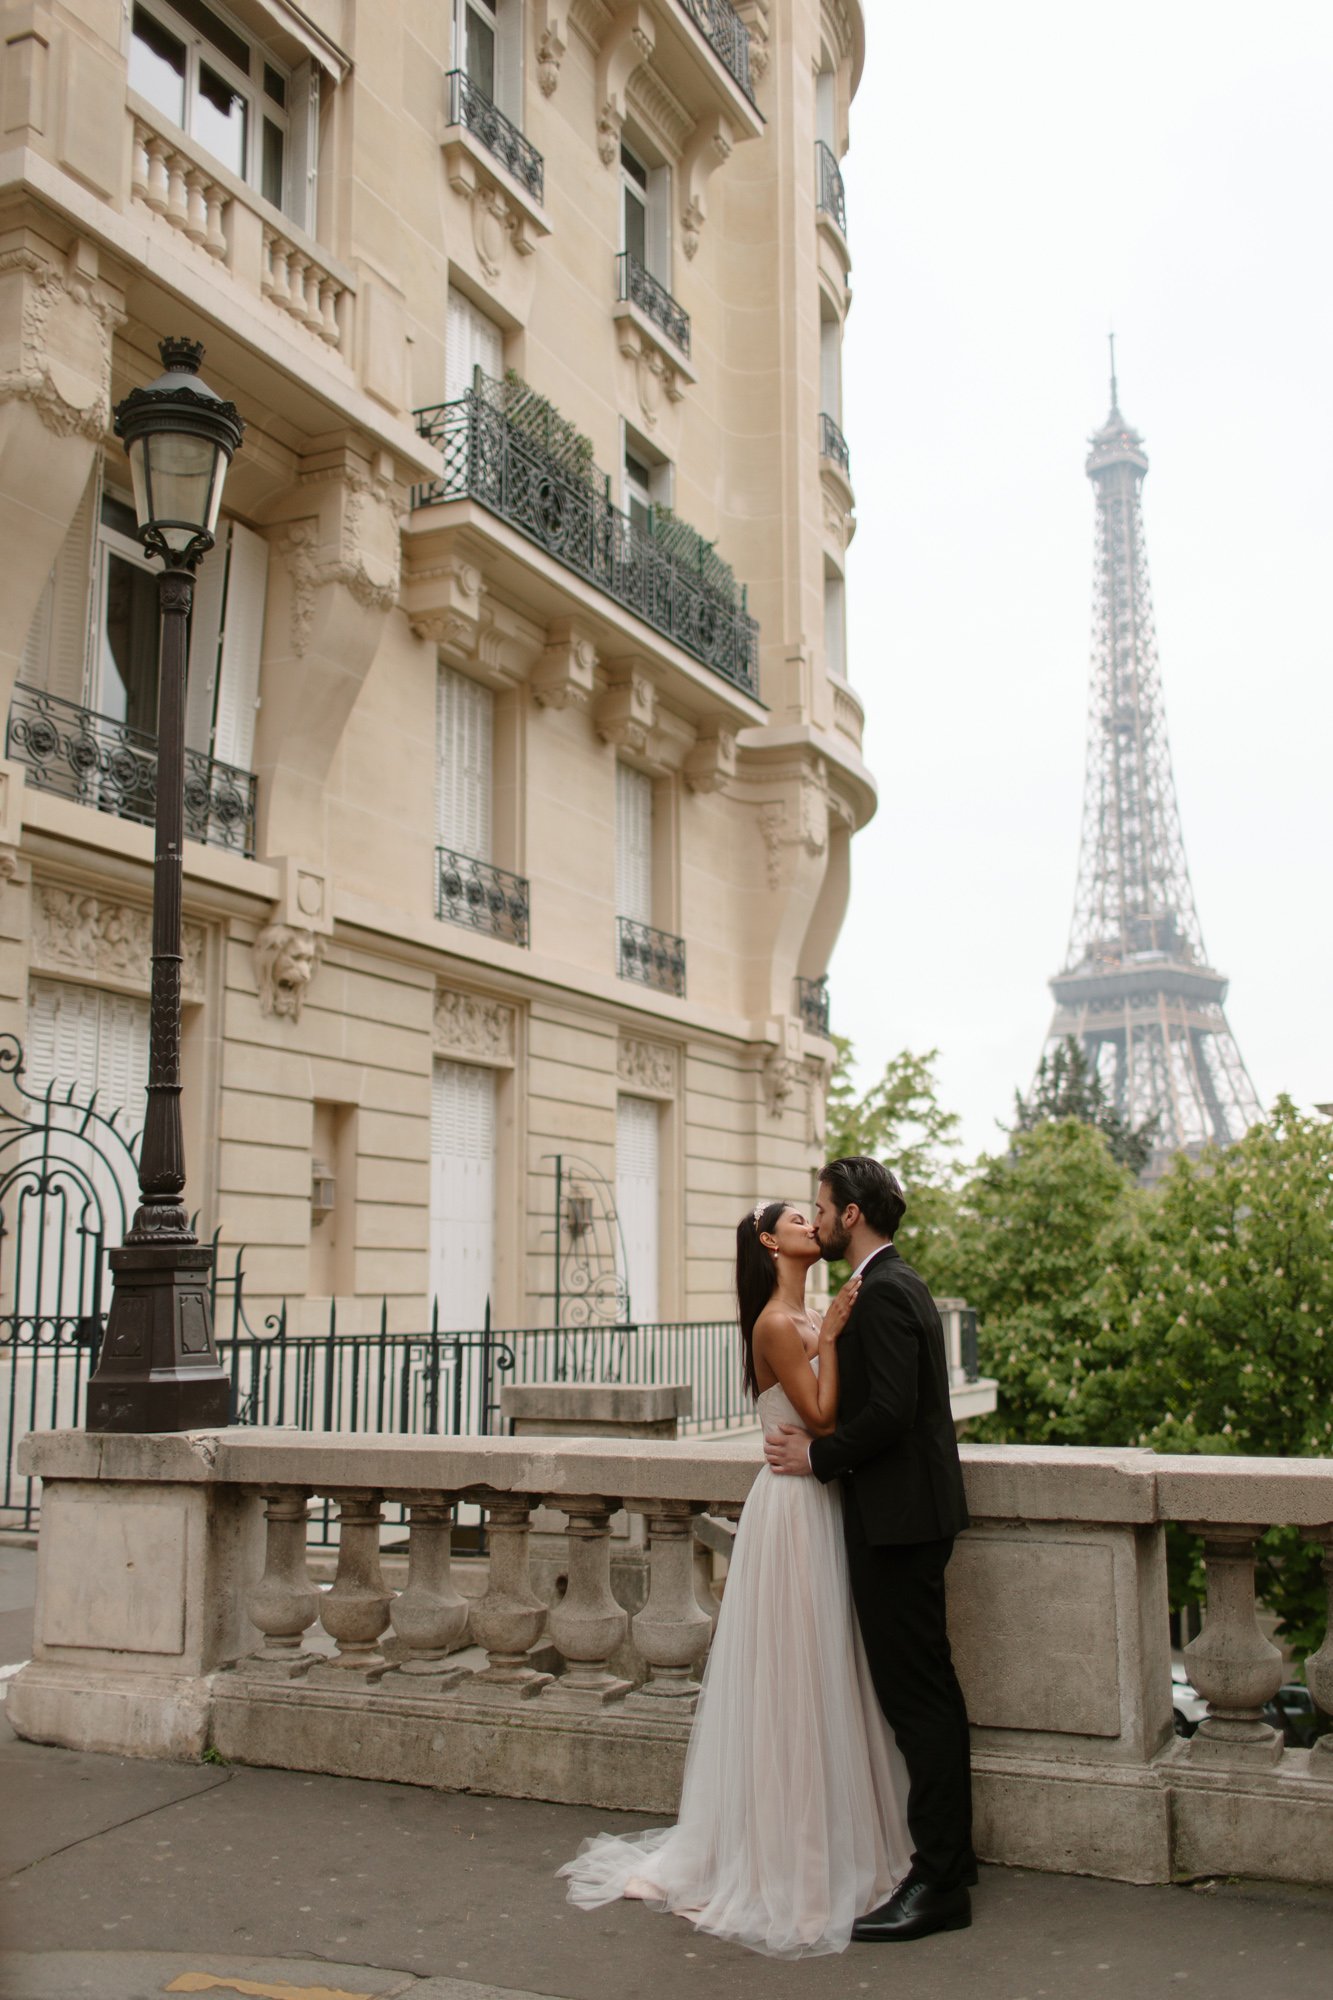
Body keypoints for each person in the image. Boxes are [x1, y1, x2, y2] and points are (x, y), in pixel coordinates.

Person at [558, 1199, 912, 1957]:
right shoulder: (778, 1324)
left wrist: (838, 1334)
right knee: (793, 1677)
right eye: (794, 1218)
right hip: (792, 1511)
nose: (810, 1225)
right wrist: (840, 1337)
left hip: (814, 1501)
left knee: (822, 1674)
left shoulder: (806, 1314)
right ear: (766, 1242)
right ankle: (786, 1856)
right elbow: (820, 1416)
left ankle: (814, 1842)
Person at [764, 1155, 977, 1942]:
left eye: (821, 1208)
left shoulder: (883, 1292)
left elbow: (888, 1412)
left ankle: (941, 1882)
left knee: (917, 1701)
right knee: (926, 1696)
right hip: (910, 1517)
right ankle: (948, 1864)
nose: (815, 1220)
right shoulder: (897, 1284)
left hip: (898, 1523)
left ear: (850, 1215)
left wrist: (816, 1459)